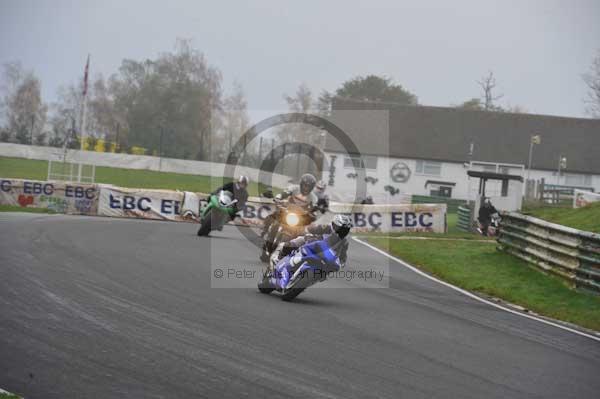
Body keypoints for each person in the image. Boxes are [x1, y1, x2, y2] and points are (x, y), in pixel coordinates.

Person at [270, 214, 353, 269]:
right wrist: (308, 231)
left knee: (326, 271)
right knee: (294, 243)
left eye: (345, 230)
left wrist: (341, 263)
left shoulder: (344, 242)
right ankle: (279, 258)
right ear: (334, 225)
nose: (342, 231)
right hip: (310, 244)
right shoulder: (326, 228)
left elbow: (343, 256)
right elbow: (311, 229)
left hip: (323, 258)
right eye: (341, 229)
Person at [261, 173, 318, 238]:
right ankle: (265, 231)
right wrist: (278, 197)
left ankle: (296, 244)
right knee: (275, 219)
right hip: (287, 210)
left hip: (300, 216)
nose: (306, 188)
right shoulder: (294, 188)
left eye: (308, 187)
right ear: (301, 184)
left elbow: (314, 208)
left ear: (312, 188)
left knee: (302, 232)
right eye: (305, 185)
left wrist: (313, 213)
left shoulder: (313, 198)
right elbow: (285, 193)